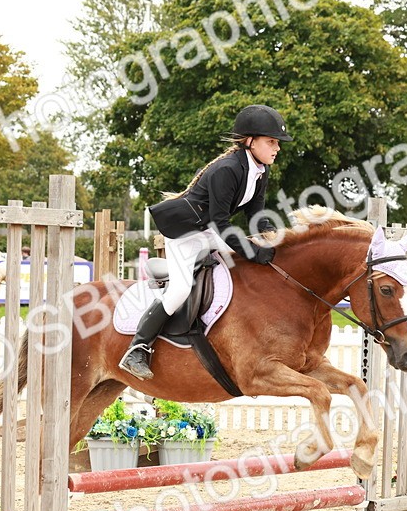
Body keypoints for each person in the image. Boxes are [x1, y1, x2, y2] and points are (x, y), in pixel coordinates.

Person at [118, 104, 289, 380]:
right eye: (271, 141)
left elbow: (256, 214)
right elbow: (221, 223)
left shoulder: (260, 170)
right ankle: (138, 348)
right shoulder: (227, 170)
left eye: (277, 143)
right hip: (185, 235)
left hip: (210, 232)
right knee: (180, 289)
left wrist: (275, 239)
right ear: (250, 141)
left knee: (248, 261)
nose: (277, 148)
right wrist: (253, 252)